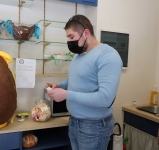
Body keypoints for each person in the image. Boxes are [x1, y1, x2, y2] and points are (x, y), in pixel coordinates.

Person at [45, 14, 122, 150]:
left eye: (71, 37)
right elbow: (77, 78)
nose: (69, 42)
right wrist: (60, 85)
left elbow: (105, 99)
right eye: (68, 38)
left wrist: (66, 94)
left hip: (94, 127)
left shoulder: (108, 56)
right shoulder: (79, 55)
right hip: (75, 122)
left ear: (86, 33)